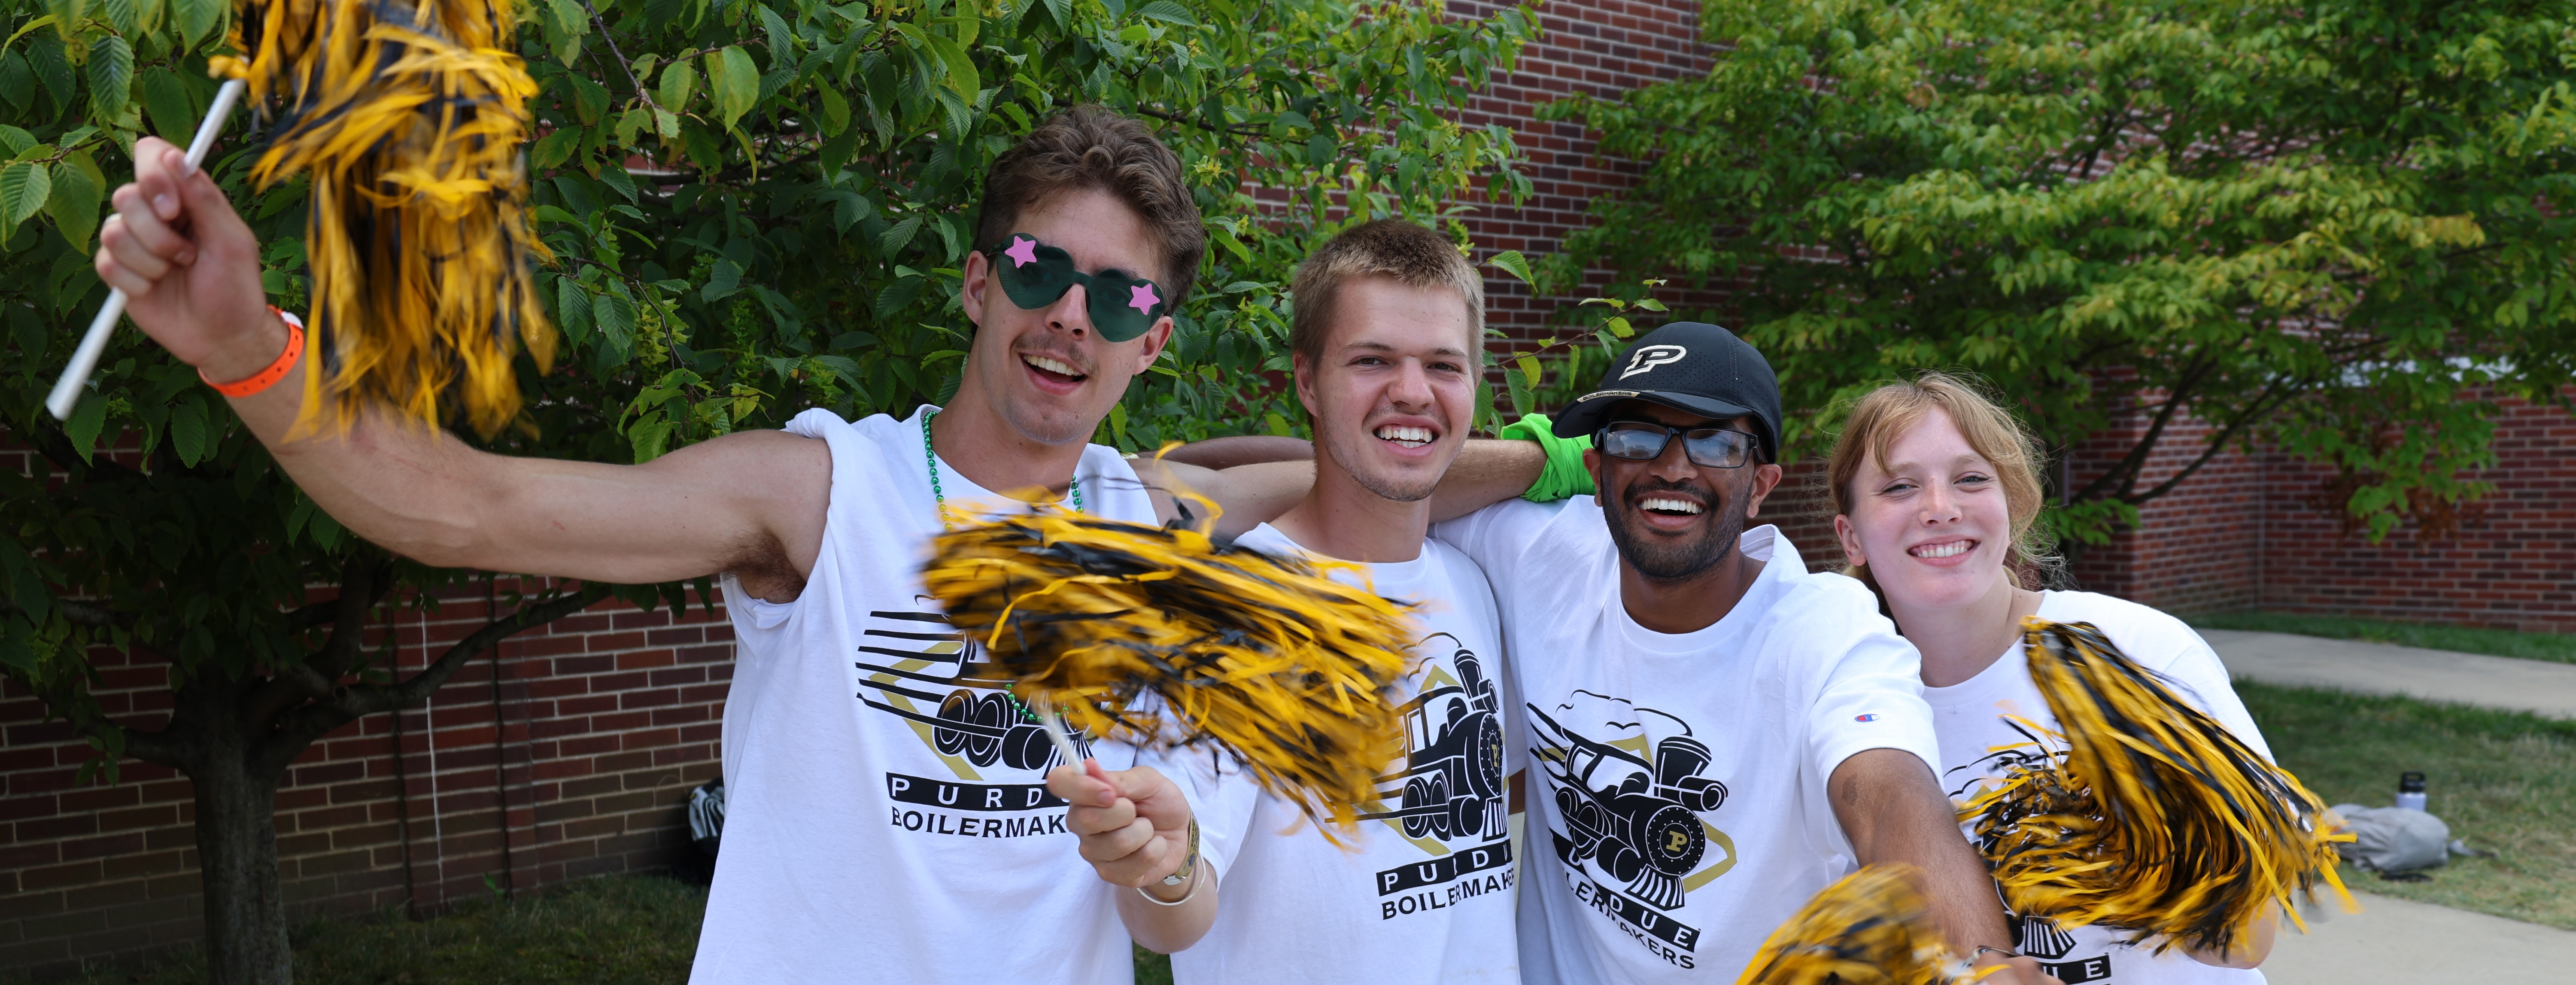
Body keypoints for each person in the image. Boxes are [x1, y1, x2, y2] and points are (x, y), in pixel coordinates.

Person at [90, 106, 1528, 983]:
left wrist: (1578, 459)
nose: (1071, 315)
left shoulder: (1152, 523)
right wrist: (247, 349)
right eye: (1040, 267)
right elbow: (474, 504)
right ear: (978, 280)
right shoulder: (819, 492)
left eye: (1120, 297)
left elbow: (1356, 470)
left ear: (1153, 342)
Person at [1419, 323, 2052, 984]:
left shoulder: (1824, 629)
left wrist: (1985, 965)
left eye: (1715, 443)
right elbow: (1354, 483)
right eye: (1638, 435)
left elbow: (1891, 794)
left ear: (1760, 485)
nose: (1673, 466)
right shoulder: (1542, 554)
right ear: (1598, 467)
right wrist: (1539, 461)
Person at [1054, 219, 1521, 982]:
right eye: (1372, 360)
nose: (1412, 391)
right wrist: (1166, 866)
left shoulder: (1472, 583)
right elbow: (1173, 908)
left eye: (1444, 364)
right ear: (1306, 379)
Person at [1823, 373, 2278, 983]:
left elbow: (2246, 938)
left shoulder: (2137, 651)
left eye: (1971, 478)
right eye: (1900, 486)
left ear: (2011, 505)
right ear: (1851, 535)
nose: (1940, 508)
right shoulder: (1844, 706)